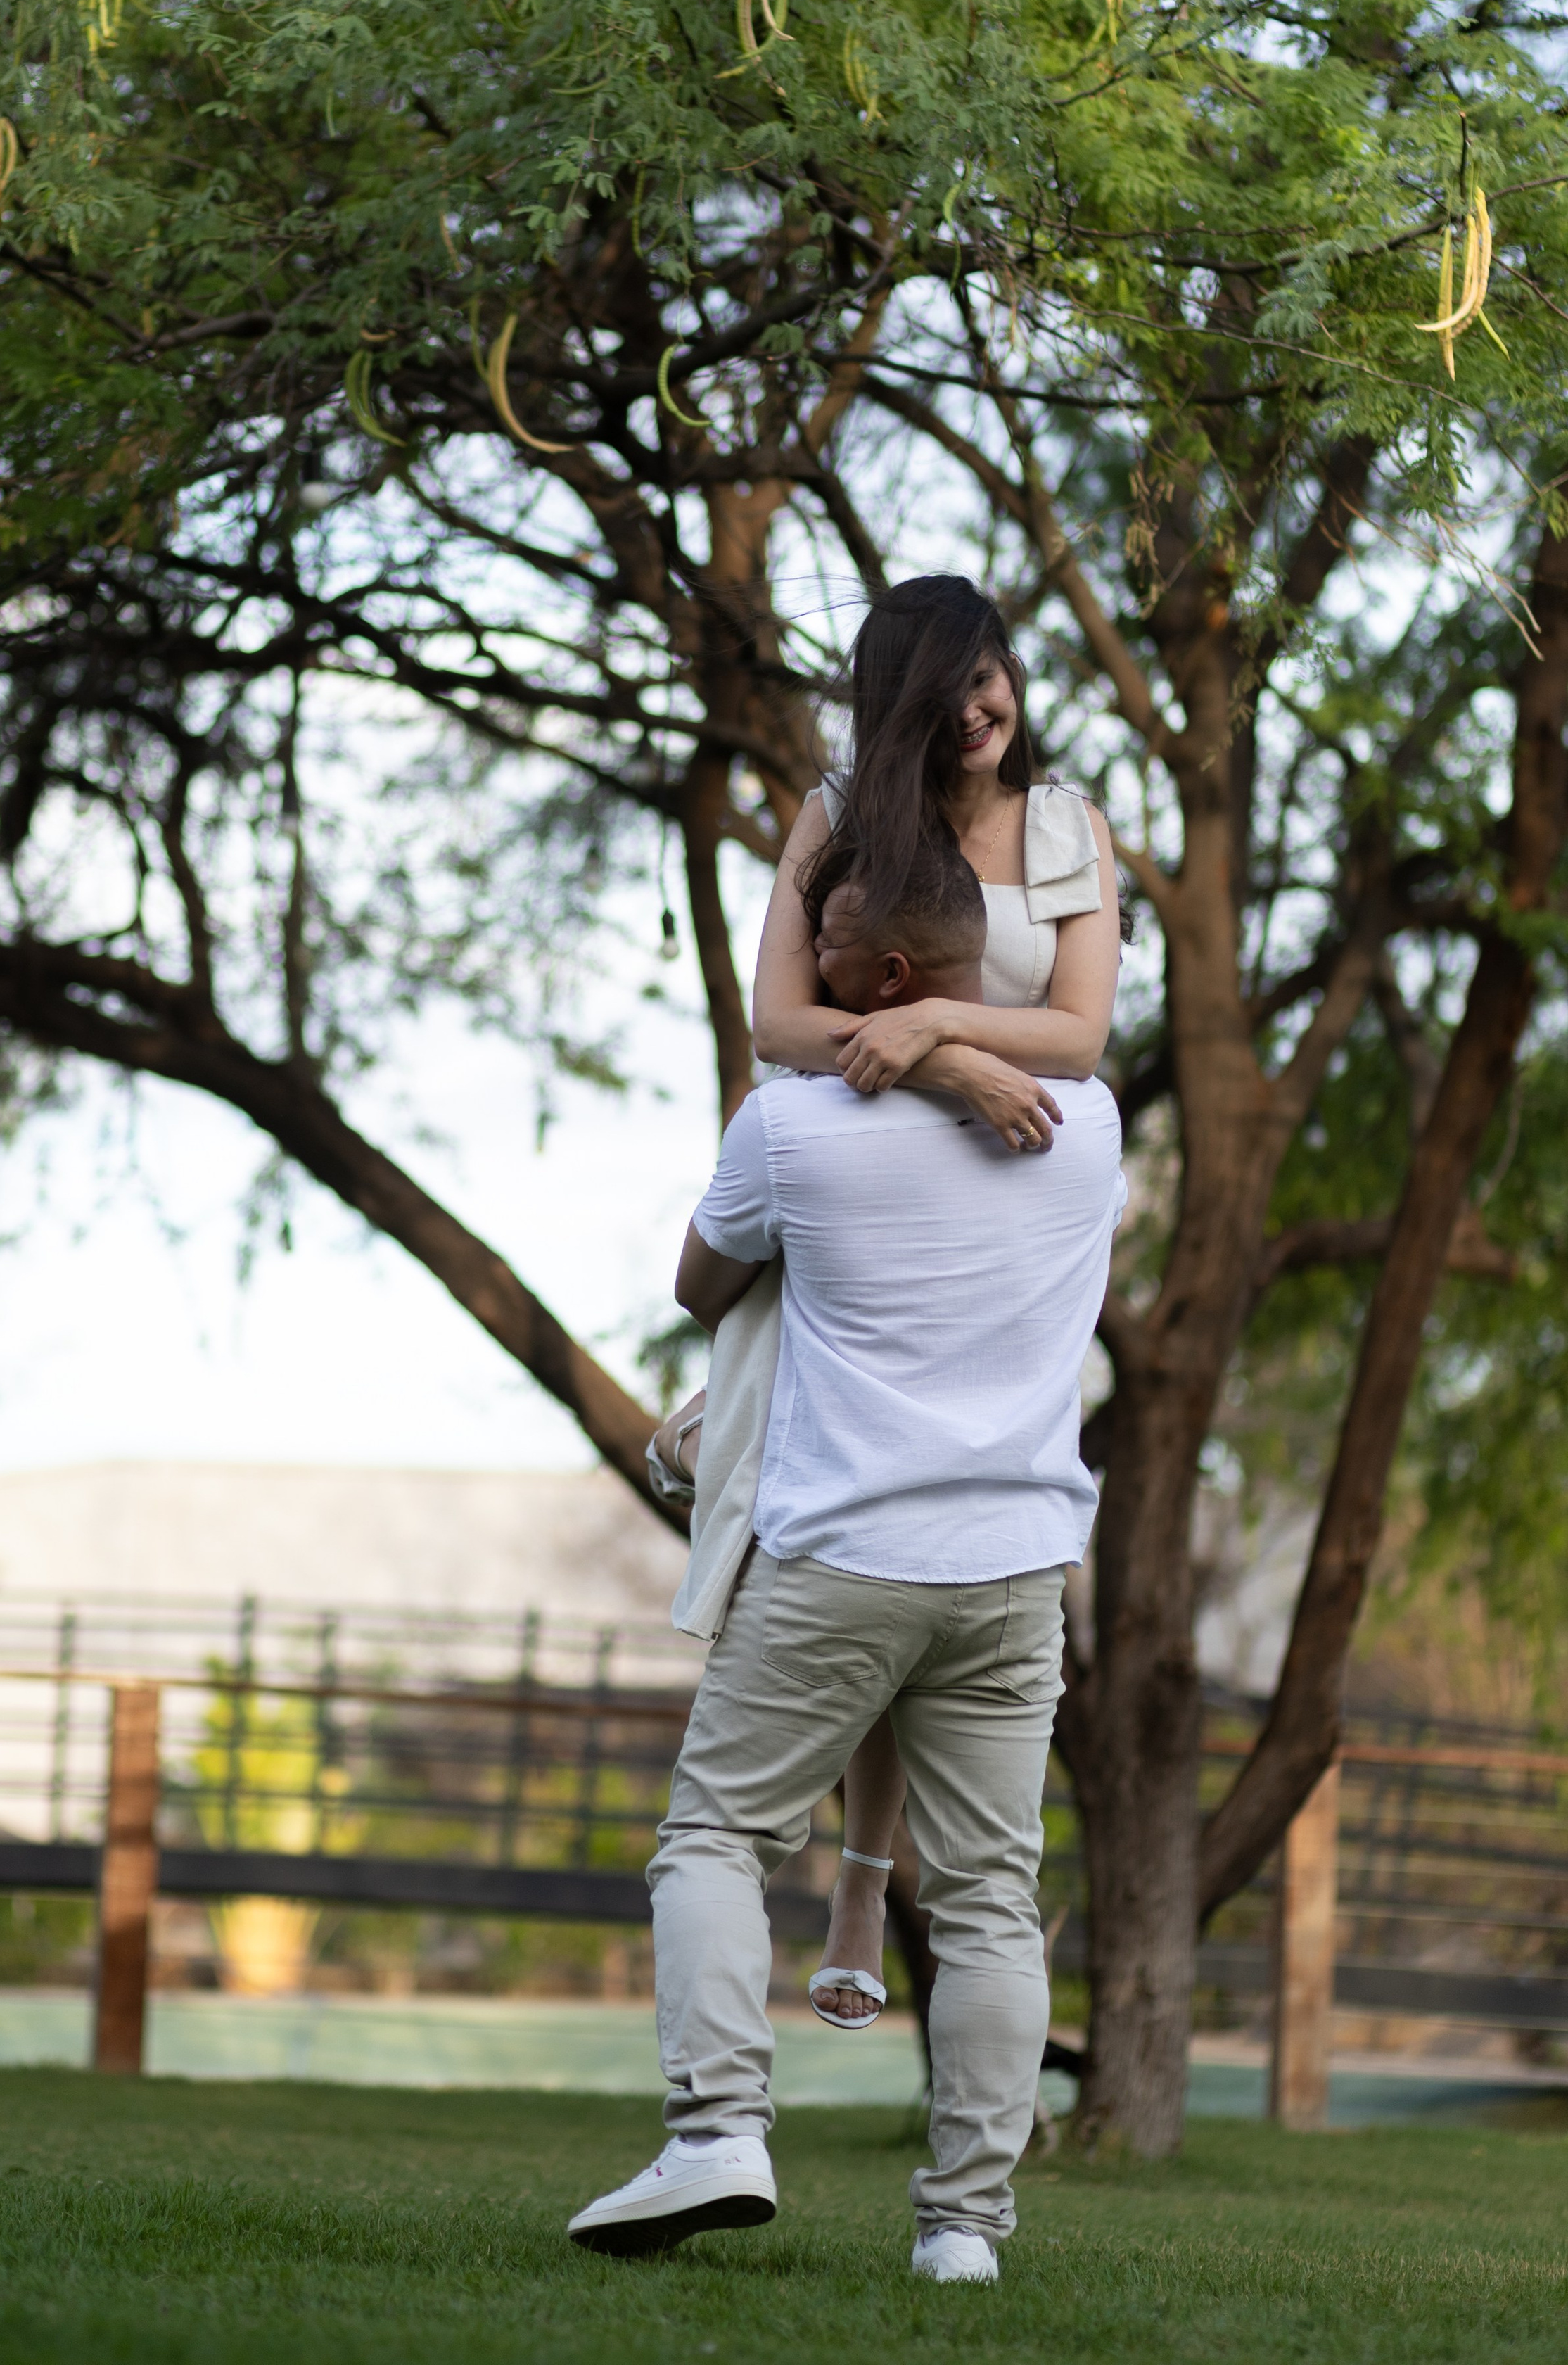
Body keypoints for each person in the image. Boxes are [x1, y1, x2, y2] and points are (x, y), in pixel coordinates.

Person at [568, 842, 1125, 2281]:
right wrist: (947, 1054)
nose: (792, 965)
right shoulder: (1093, 1125)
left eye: (816, 943)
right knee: (994, 1899)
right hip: (1013, 1569)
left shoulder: (789, 1125)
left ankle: (716, 2133)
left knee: (712, 1838)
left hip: (841, 1558)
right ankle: (962, 2235)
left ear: (878, 978)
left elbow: (697, 1284)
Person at [653, 572, 1121, 2025]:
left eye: (997, 677)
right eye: (952, 688)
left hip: (1002, 1201)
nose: (982, 707)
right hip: (865, 1165)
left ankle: (863, 1875)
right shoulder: (836, 815)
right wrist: (942, 1061)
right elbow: (782, 1023)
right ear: (898, 703)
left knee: (946, 1528)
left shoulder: (1065, 829)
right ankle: (721, 1430)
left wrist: (933, 1019)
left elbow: (1083, 1032)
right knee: (833, 1512)